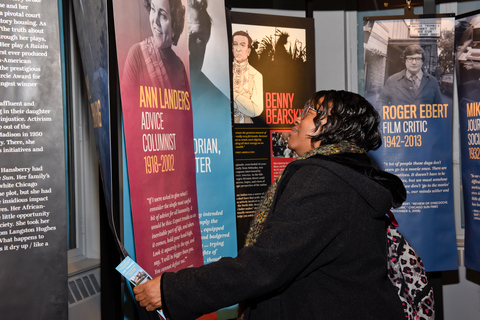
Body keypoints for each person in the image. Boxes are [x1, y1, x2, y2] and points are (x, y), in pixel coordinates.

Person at [133, 90, 407, 320]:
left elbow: (266, 265)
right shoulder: (346, 174)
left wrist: (173, 290)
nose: (297, 118)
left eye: (309, 111)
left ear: (333, 128)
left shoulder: (323, 179)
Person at [122, 0, 189, 95]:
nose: (155, 20)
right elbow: (128, 106)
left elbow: (184, 109)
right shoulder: (136, 55)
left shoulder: (179, 67)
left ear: (174, 26)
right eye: (153, 9)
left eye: (163, 15)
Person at [377, 44, 443, 107]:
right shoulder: (392, 80)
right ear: (405, 61)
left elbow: (439, 107)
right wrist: (387, 117)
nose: (414, 62)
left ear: (422, 61)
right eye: (410, 59)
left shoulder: (432, 82)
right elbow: (381, 102)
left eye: (417, 59)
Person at [232, 31, 264, 124]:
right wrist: (245, 102)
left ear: (248, 51)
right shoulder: (223, 72)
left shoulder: (256, 75)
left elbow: (256, 110)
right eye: (235, 44)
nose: (238, 49)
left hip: (246, 126)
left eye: (242, 45)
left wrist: (233, 95)